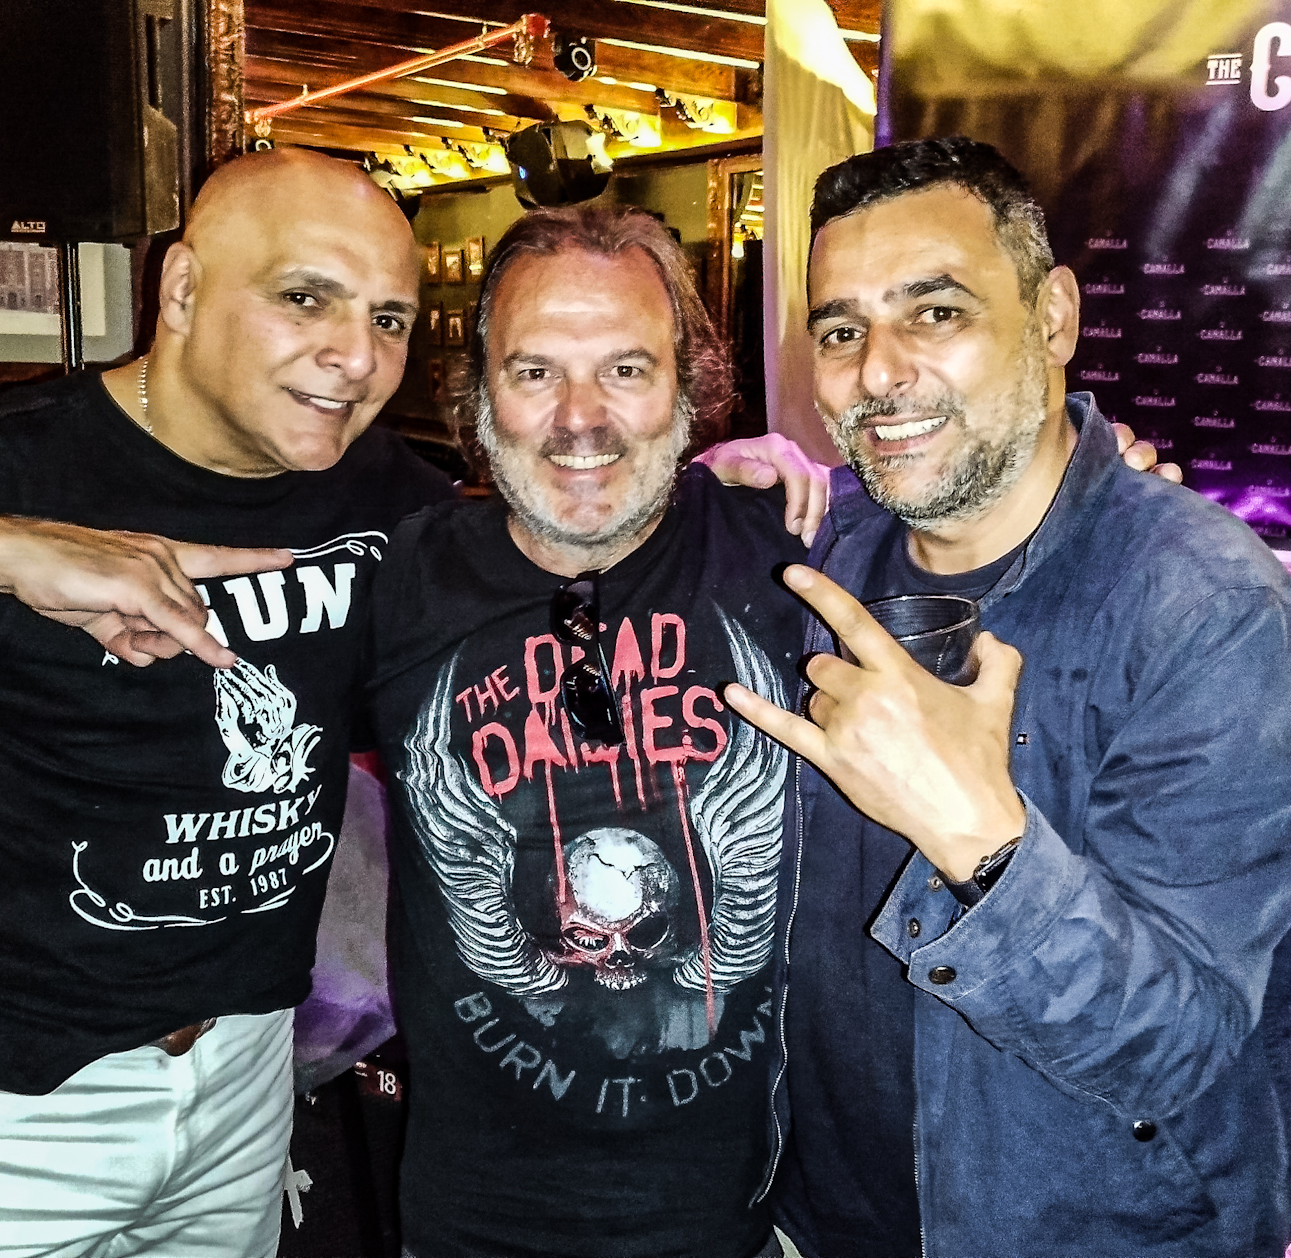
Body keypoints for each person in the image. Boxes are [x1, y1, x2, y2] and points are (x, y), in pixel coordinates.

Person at [0, 149, 827, 1256]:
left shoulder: (387, 504)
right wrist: (1, 551)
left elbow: (565, 541)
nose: (351, 356)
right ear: (182, 288)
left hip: (248, 1075)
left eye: (386, 317)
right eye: (304, 297)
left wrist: (704, 490)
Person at [364, 202, 1182, 1258]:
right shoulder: (395, 579)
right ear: (480, 394)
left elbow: (989, 509)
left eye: (626, 369)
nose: (580, 418)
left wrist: (1100, 496)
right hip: (474, 1228)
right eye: (534, 372)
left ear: (688, 387)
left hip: (750, 1220)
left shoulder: (796, 548)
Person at [724, 137, 1291, 1257]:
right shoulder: (818, 557)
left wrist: (980, 838)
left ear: (1051, 318)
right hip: (814, 1217)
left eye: (936, 312)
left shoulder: (1210, 612)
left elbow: (1183, 1050)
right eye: (841, 331)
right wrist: (699, 489)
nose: (878, 372)